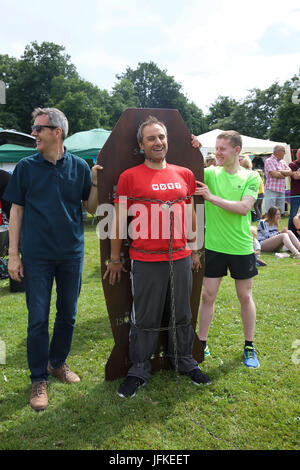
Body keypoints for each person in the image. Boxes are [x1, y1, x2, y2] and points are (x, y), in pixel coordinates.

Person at [103, 115, 211, 399]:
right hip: (146, 259)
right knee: (146, 317)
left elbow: (190, 214)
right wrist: (115, 258)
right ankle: (139, 369)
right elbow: (117, 221)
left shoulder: (184, 174)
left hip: (182, 257)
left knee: (182, 313)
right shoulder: (129, 177)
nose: (158, 142)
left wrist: (194, 247)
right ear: (141, 144)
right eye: (151, 138)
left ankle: (184, 360)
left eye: (161, 137)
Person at [3, 107, 102, 411]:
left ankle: (57, 363)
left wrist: (96, 182)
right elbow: (16, 211)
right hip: (37, 257)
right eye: (33, 128)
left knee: (68, 315)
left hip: (71, 254)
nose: (32, 133)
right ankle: (38, 379)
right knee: (37, 319)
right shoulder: (25, 168)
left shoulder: (80, 167)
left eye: (38, 128)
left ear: (57, 132)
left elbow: (90, 208)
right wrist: (13, 255)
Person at [195, 130, 261, 369]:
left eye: (222, 149)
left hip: (241, 247)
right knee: (207, 295)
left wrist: (211, 198)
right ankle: (201, 343)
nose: (217, 153)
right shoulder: (210, 173)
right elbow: (187, 168)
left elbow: (244, 208)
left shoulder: (251, 177)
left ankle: (249, 345)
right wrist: (194, 146)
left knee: (245, 296)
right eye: (215, 148)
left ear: (236, 150)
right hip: (214, 247)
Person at [264, 145, 292, 215]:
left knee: (279, 214)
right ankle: (268, 226)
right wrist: (284, 173)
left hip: (281, 190)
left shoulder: (283, 161)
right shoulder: (269, 160)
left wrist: (279, 171)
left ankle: (276, 226)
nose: (285, 153)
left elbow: (290, 172)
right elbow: (274, 174)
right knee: (270, 213)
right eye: (283, 151)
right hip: (271, 190)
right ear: (277, 152)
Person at [288, 148, 300, 231]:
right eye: (299, 154)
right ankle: (291, 231)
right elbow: (295, 177)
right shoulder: (292, 165)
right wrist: (296, 174)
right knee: (293, 214)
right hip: (295, 194)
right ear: (296, 154)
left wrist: (298, 174)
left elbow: (297, 175)